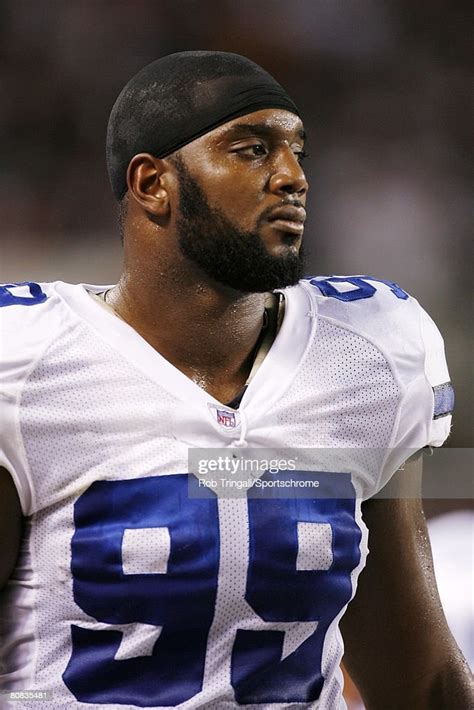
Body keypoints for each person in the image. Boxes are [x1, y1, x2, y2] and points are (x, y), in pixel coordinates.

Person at [0, 51, 471, 709]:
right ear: (152, 182)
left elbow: (417, 677)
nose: (293, 177)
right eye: (252, 149)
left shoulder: (373, 348)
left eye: (297, 151)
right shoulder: (25, 360)